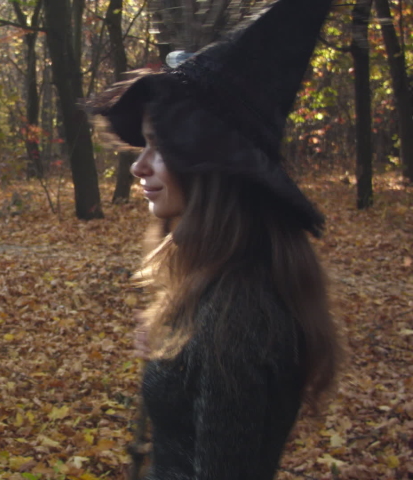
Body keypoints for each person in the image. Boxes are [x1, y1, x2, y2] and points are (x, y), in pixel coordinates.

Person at [87, 0, 344, 479]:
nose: (139, 165)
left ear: (211, 165)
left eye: (158, 145)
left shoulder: (240, 316)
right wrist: (174, 354)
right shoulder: (219, 280)